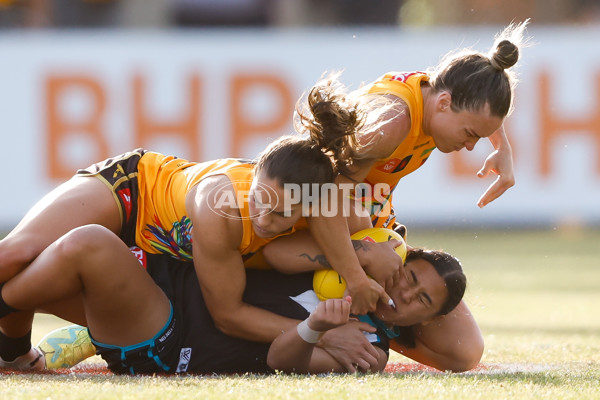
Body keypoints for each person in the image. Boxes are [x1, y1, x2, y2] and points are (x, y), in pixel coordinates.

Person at [0, 224, 466, 374]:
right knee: (29, 258)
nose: (404, 293)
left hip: (168, 336)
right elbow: (278, 248)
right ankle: (16, 354)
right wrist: (356, 253)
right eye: (409, 277)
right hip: (161, 281)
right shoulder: (345, 261)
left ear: (426, 319)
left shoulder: (371, 346)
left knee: (88, 245)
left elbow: (285, 360)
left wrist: (316, 329)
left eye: (422, 299)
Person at [296, 20, 529, 317]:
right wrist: (356, 277)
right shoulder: (391, 124)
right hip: (317, 224)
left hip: (367, 224)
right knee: (356, 217)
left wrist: (502, 147)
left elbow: (477, 106)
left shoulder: (438, 90)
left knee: (463, 349)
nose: (470, 146)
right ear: (444, 103)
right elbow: (323, 203)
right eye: (471, 134)